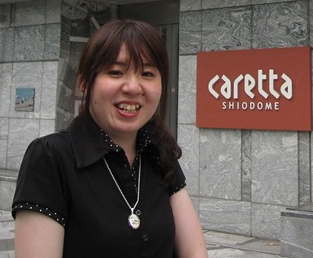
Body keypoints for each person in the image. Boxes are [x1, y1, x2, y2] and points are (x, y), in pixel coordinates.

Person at [12, 20, 207, 258]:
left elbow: (194, 252)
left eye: (147, 73)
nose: (133, 87)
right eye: (116, 72)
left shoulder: (159, 153)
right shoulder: (51, 157)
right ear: (85, 83)